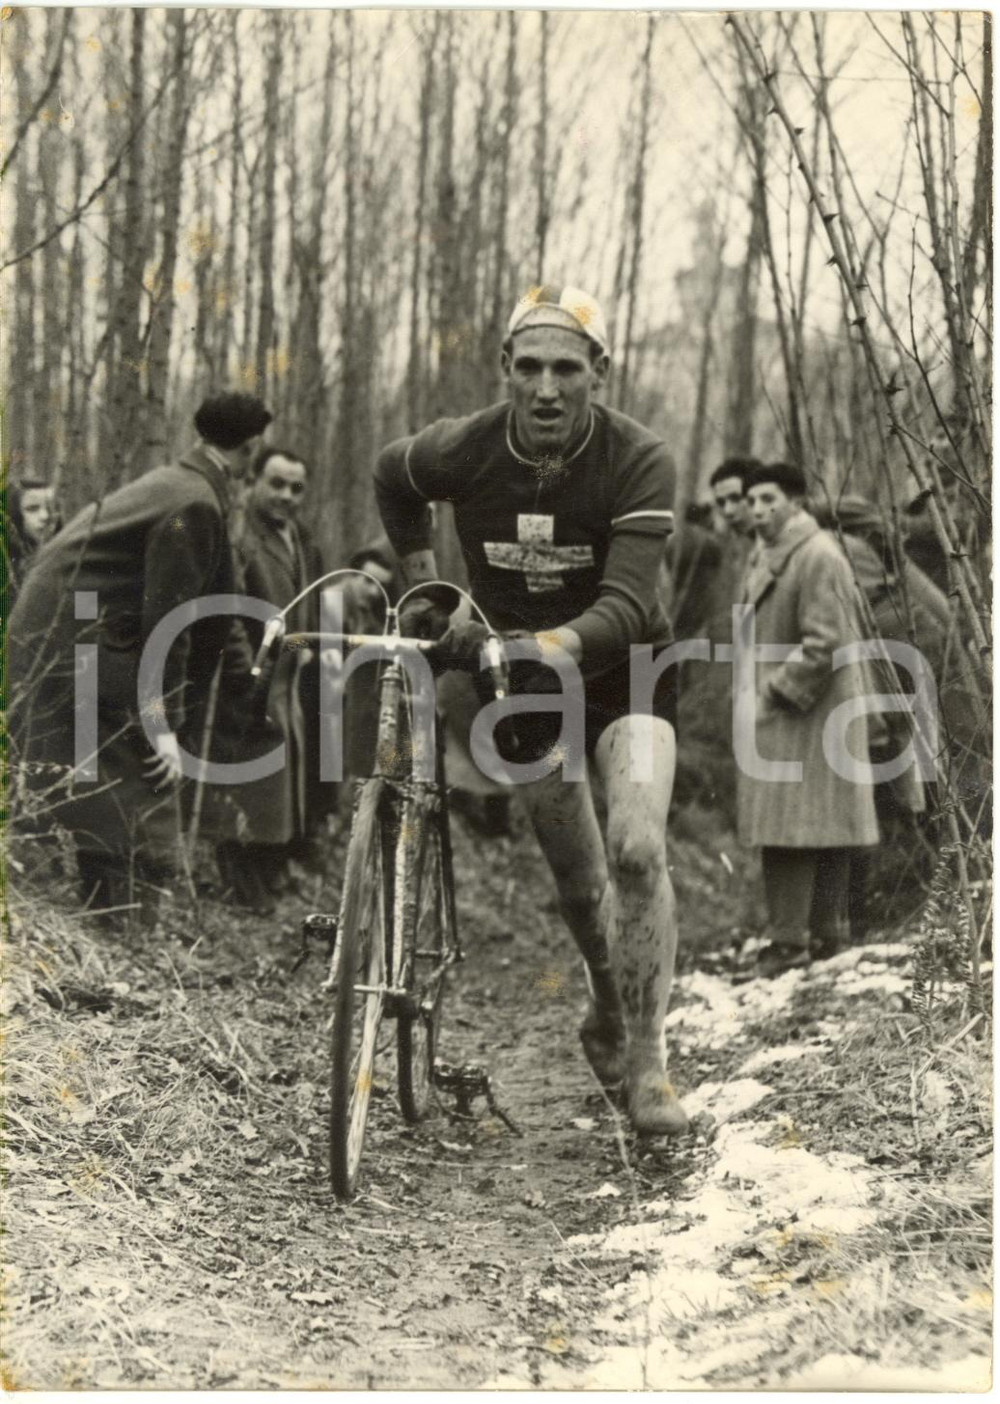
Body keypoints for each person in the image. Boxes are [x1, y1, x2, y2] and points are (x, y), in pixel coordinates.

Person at [374, 282, 687, 1136]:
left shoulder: (638, 458)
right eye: (530, 369)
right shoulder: (464, 448)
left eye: (567, 369)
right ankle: (606, 1005)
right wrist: (424, 584)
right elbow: (389, 477)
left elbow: (626, 605)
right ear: (505, 370)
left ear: (600, 371)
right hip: (517, 677)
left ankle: (652, 1057)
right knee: (582, 887)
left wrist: (545, 643)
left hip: (629, 669)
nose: (547, 389)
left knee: (633, 846)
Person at [7, 392, 272, 924]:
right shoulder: (192, 502)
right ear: (248, 450)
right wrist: (164, 727)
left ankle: (114, 911)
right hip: (74, 637)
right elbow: (170, 624)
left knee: (105, 775)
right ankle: (115, 919)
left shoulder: (182, 482)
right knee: (132, 769)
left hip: (76, 629)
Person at [736, 461, 881, 975]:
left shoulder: (816, 555)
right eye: (752, 501)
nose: (757, 509)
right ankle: (819, 938)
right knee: (813, 824)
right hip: (802, 714)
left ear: (796, 503)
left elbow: (825, 642)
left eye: (769, 499)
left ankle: (792, 944)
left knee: (795, 828)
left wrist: (774, 692)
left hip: (809, 711)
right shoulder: (773, 552)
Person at [207, 447, 324, 910]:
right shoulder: (241, 536)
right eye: (276, 484)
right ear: (253, 481)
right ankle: (241, 885)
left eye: (296, 488)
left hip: (288, 675)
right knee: (247, 777)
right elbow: (227, 608)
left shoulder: (297, 536)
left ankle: (269, 872)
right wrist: (244, 667)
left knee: (283, 777)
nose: (286, 496)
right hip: (249, 676)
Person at [4, 479, 60, 605]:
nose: (45, 516)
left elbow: (88, 616)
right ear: (14, 515)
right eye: (32, 509)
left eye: (53, 508)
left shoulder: (77, 556)